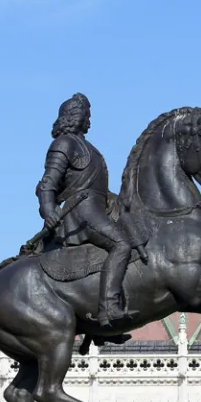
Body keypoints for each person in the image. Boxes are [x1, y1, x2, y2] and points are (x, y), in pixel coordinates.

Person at [34, 93, 141, 328]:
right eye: (86, 114)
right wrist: (49, 210)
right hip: (81, 213)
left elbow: (99, 189)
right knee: (121, 244)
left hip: (98, 208)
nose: (89, 119)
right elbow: (47, 185)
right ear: (75, 116)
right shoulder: (63, 144)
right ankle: (109, 308)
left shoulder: (90, 148)